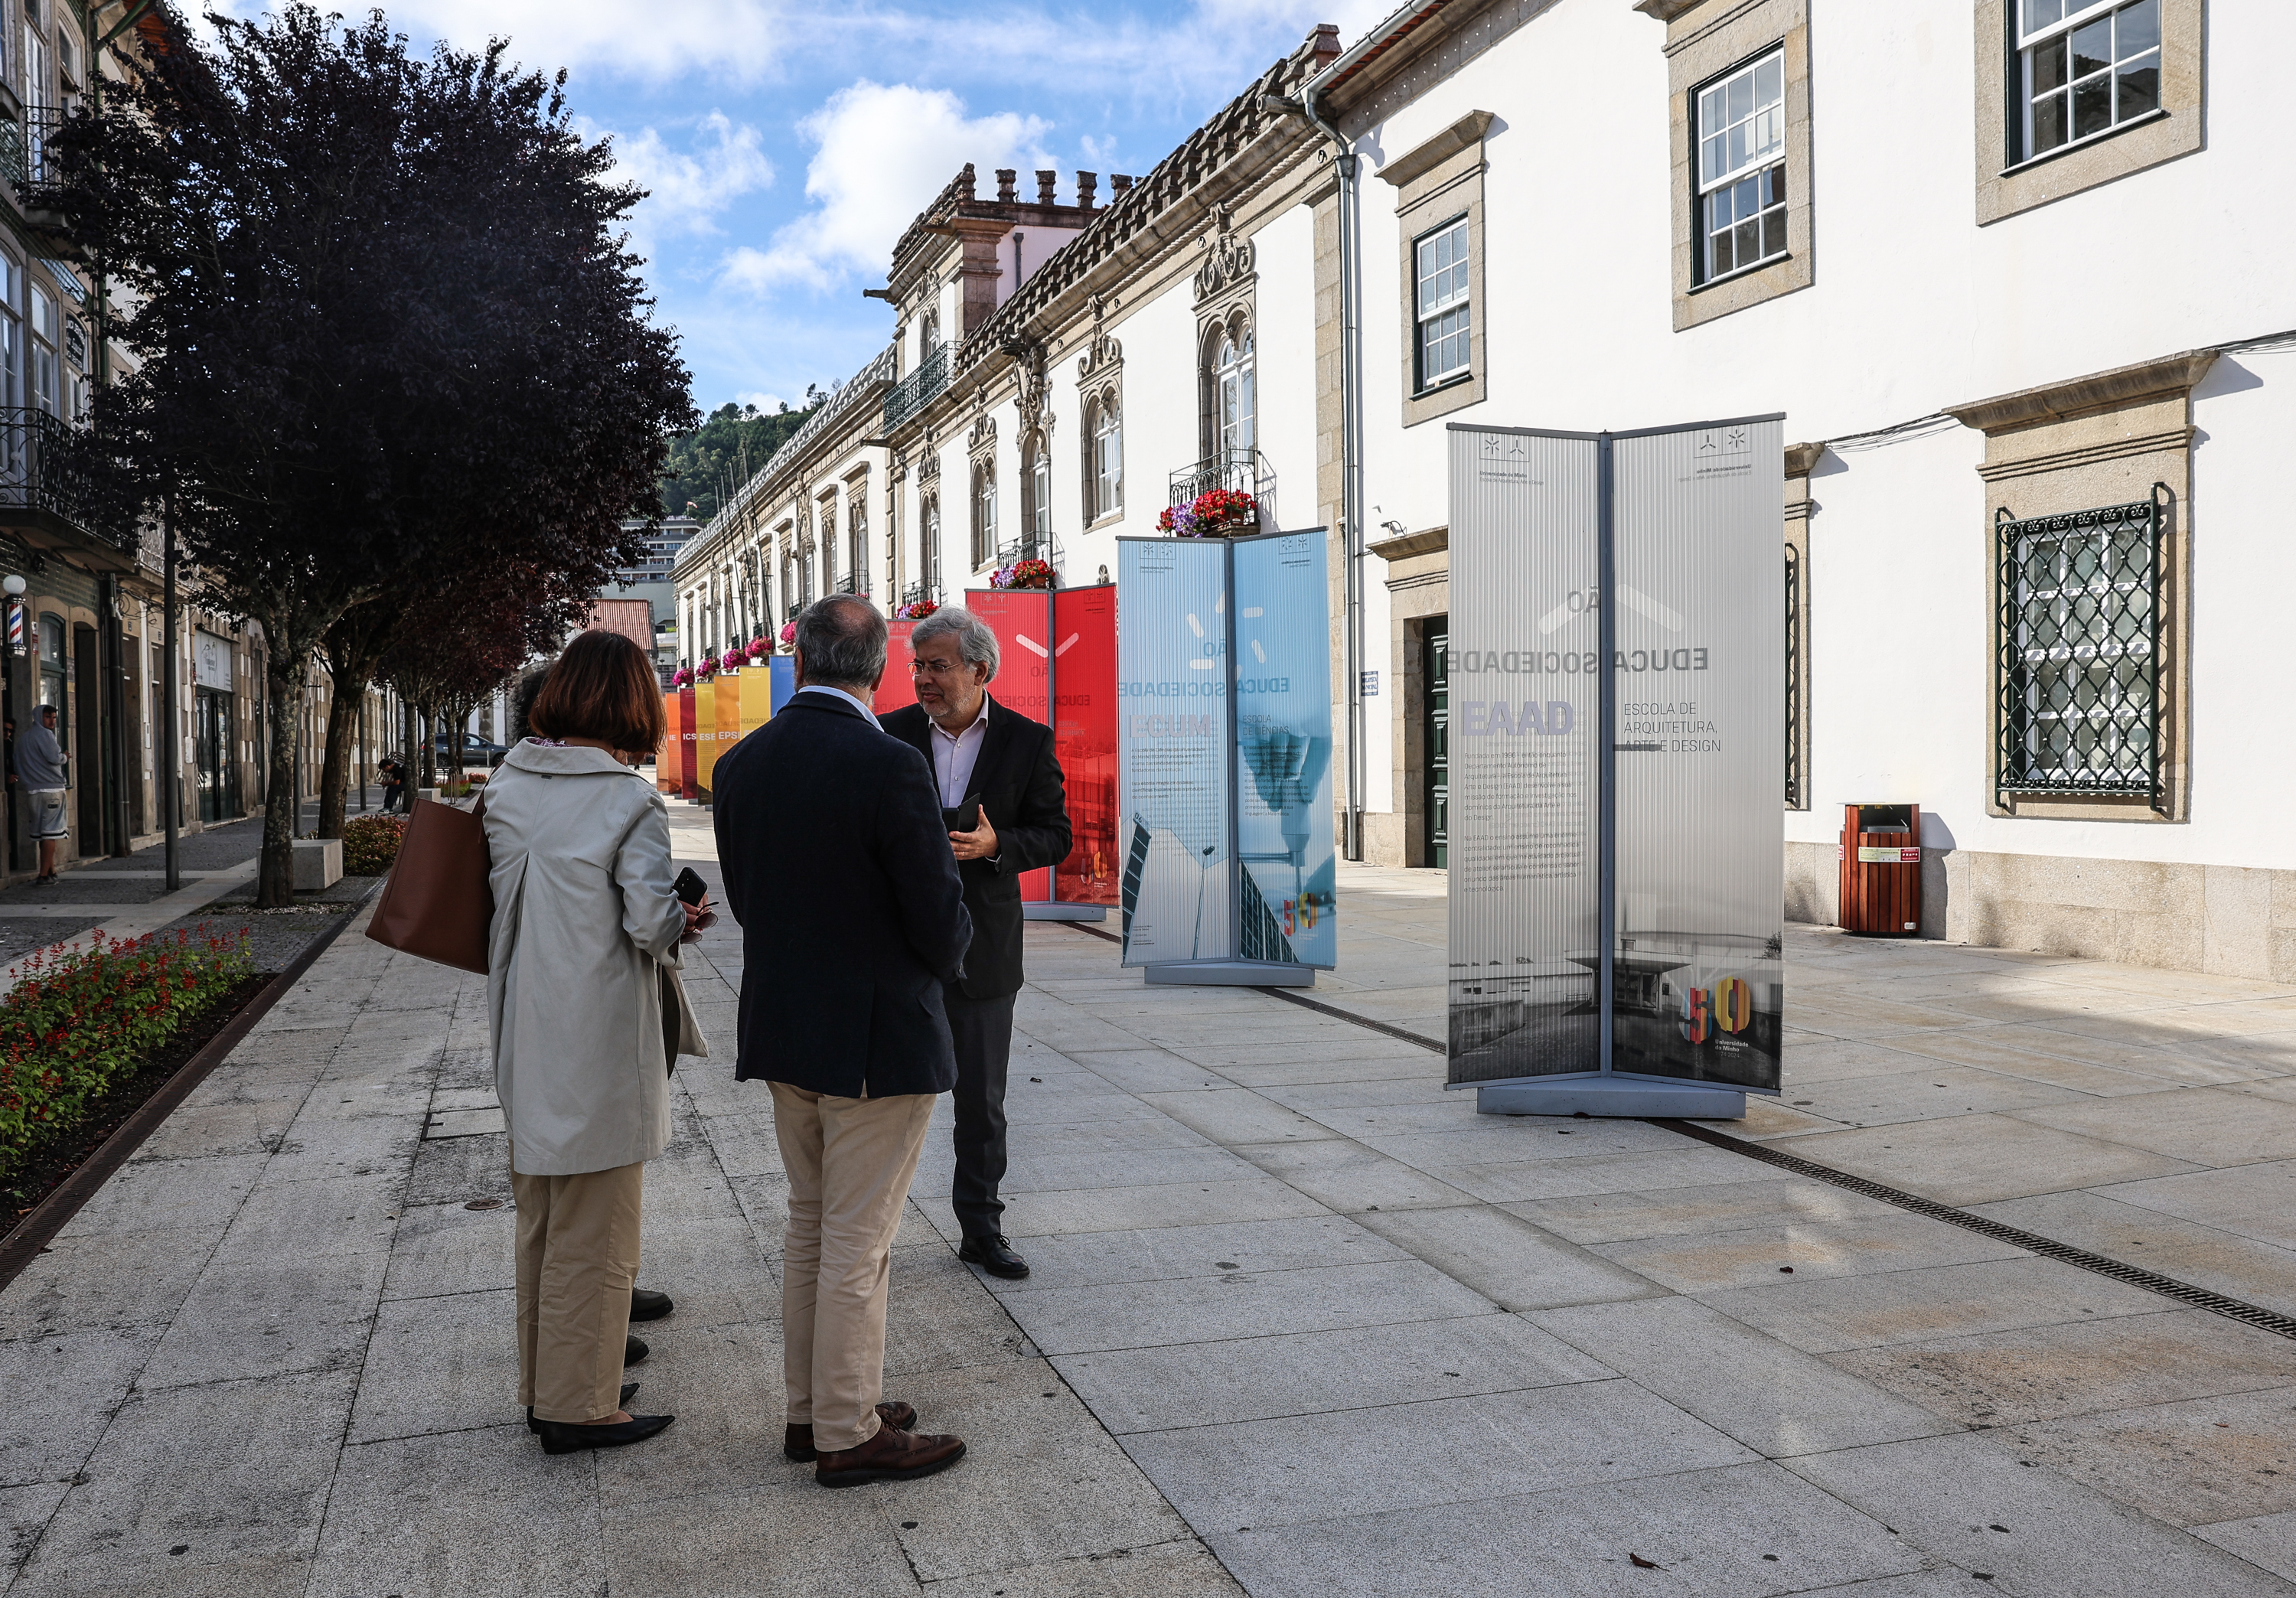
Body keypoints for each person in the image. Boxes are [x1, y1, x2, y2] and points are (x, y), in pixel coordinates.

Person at [713, 594, 973, 1489]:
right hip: (877, 1038)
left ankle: (811, 1411)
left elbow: (746, 900)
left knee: (811, 1230)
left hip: (787, 1026)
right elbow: (937, 917)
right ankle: (849, 1432)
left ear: (798, 657)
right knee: (858, 1241)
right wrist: (948, 965)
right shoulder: (889, 765)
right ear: (881, 669)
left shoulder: (742, 763)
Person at [482, 629, 709, 1456]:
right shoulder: (626, 799)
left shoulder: (507, 783)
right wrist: (683, 916)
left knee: (543, 1221)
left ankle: (549, 1384)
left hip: (525, 1024)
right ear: (633, 704)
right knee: (601, 1228)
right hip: (598, 1035)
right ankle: (581, 1407)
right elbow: (650, 924)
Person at [879, 608, 1071, 1280]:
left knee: (981, 1103)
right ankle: (867, 1233)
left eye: (936, 666)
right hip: (899, 946)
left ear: (979, 670)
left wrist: (998, 847)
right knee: (883, 1098)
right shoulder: (889, 735)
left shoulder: (1027, 741)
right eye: (917, 666)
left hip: (984, 947)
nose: (922, 679)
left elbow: (1056, 834)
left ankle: (981, 1229)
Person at [15, 704, 69, 884]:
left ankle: (51, 871)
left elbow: (18, 762)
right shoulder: (45, 735)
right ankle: (43, 875)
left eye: (54, 717)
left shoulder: (24, 738)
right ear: (39, 717)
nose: (52, 721)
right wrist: (65, 757)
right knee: (51, 833)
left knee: (41, 833)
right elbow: (55, 758)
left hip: (33, 791)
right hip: (51, 790)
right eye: (48, 717)